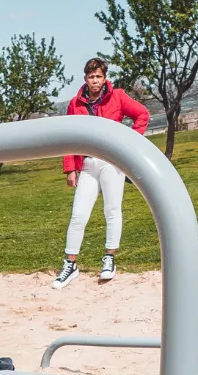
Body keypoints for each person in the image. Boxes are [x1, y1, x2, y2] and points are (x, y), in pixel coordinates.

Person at [52, 58, 150, 289]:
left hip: (111, 163)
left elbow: (142, 114)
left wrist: (128, 144)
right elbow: (69, 136)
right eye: (91, 77)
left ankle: (109, 258)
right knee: (78, 215)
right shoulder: (75, 103)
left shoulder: (118, 96)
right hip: (87, 165)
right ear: (85, 78)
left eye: (98, 76)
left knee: (112, 210)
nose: (95, 81)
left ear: (104, 77)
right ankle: (70, 264)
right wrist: (70, 168)